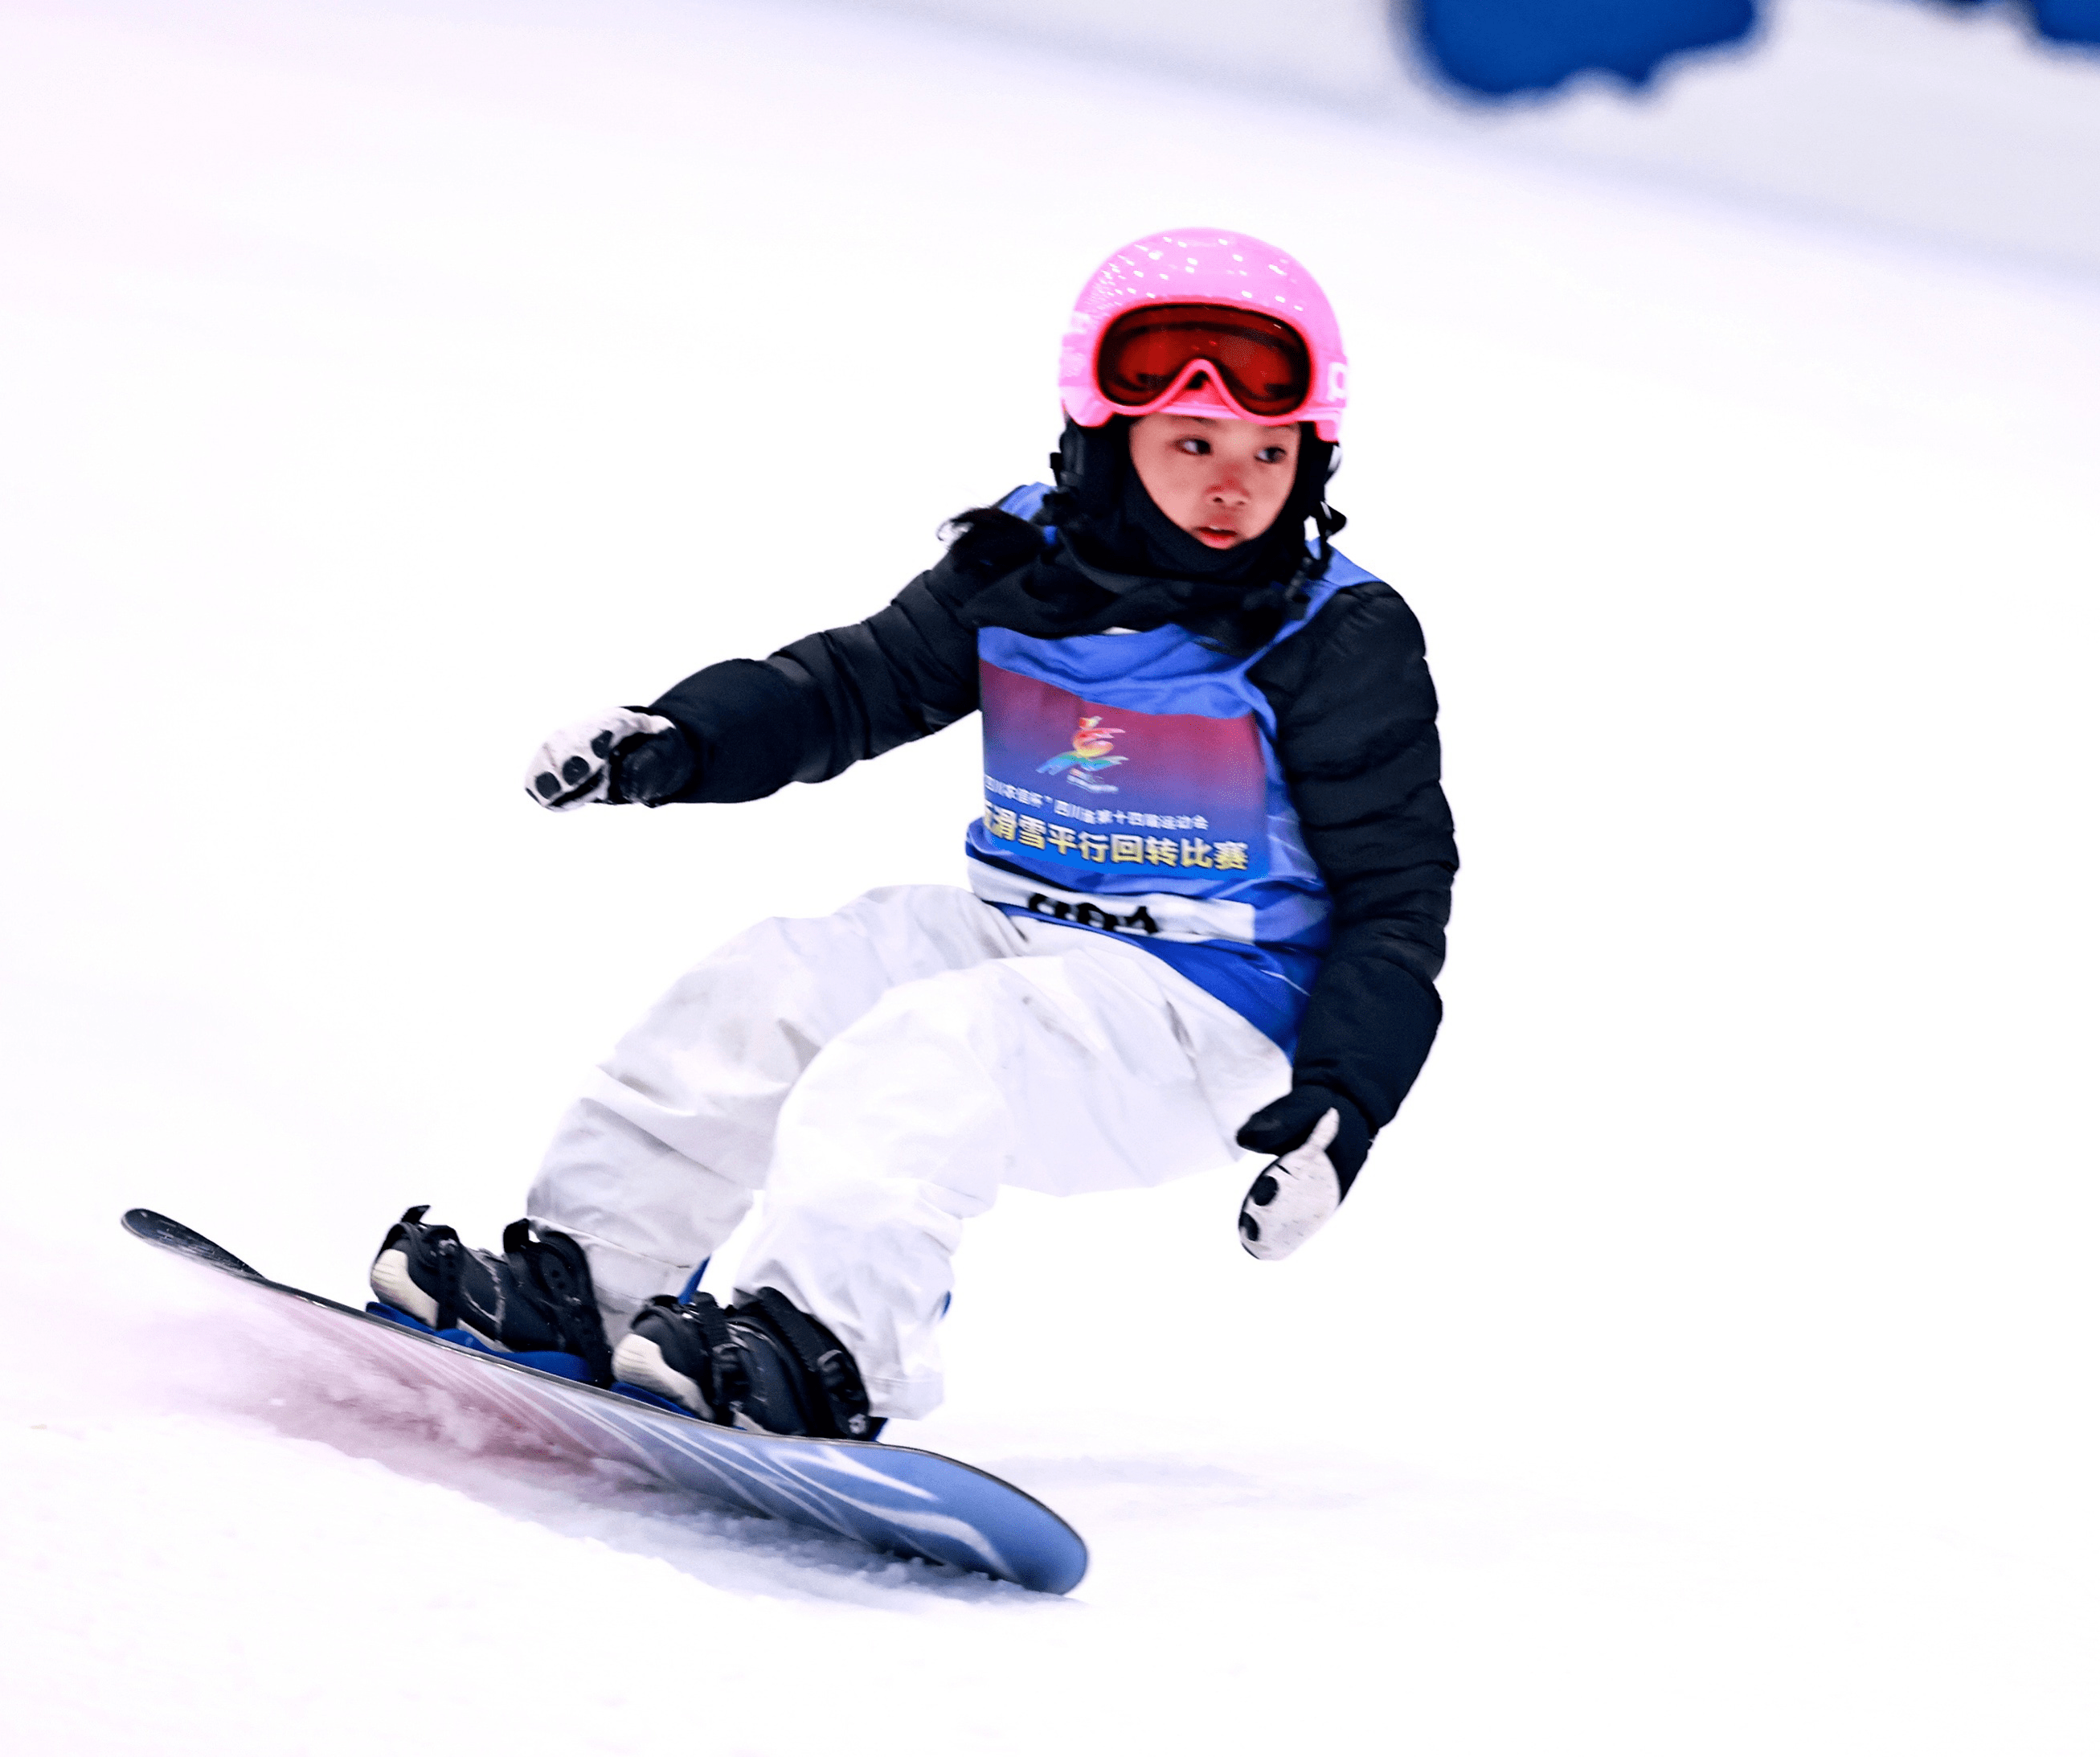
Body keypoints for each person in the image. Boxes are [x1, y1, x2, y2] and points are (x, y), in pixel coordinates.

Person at [366, 230, 1455, 1440]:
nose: (1230, 484)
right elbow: (854, 684)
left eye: (1268, 452)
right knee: (776, 979)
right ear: (1105, 441)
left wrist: (1347, 1097)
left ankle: (821, 1349)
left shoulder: (1334, 635)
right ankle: (591, 1276)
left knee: (929, 1053)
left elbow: (1398, 891)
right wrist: (680, 738)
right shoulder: (1027, 564)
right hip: (1021, 937)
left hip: (1213, 1014)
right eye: (1190, 444)